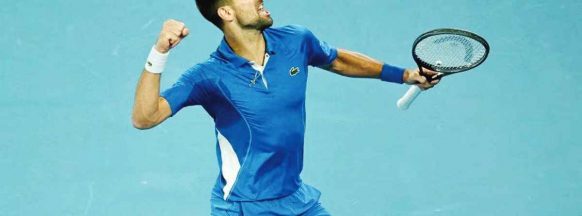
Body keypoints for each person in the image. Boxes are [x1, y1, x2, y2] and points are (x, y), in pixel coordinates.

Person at [132, 0, 440, 215]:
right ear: (226, 12)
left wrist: (404, 75)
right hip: (245, 206)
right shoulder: (209, 76)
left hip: (295, 198)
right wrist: (159, 52)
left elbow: (337, 59)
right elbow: (145, 117)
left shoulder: (296, 40)